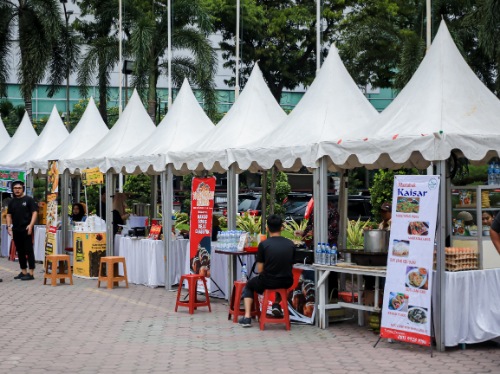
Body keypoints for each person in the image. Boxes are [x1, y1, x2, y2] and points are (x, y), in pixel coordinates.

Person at [238, 214, 295, 328]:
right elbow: (290, 265)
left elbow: (260, 270)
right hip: (287, 280)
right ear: (282, 227)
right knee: (280, 285)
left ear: (267, 228)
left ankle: (247, 317)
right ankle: (276, 304)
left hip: (268, 281)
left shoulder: (264, 245)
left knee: (249, 285)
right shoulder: (290, 244)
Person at [6, 180, 38, 281]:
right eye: (15, 188)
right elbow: (9, 214)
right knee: (19, 251)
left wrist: (31, 225)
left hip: (26, 229)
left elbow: (34, 213)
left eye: (19, 188)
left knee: (28, 250)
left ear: (23, 189)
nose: (17, 190)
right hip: (16, 229)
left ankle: (31, 272)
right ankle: (23, 271)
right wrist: (9, 226)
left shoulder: (29, 200)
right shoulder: (12, 201)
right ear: (13, 190)